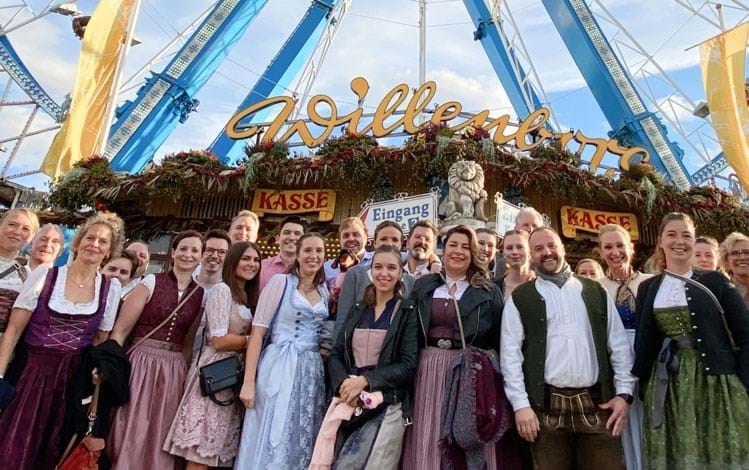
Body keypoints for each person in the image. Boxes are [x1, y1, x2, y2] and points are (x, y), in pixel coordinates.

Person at [501, 226, 635, 470]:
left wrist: (624, 394)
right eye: (539, 248)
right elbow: (510, 357)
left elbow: (619, 346)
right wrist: (521, 406)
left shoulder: (595, 291)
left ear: (562, 247)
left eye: (552, 245)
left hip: (597, 406)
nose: (547, 252)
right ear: (531, 255)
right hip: (545, 411)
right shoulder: (520, 298)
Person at [0, 212, 124, 469]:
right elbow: (13, 331)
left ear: (109, 251)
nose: (95, 244)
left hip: (72, 381)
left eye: (103, 242)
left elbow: (100, 341)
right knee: (13, 444)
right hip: (30, 373)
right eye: (90, 238)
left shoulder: (110, 288)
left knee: (55, 450)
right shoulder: (46, 275)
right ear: (78, 242)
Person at [632, 213, 749, 469]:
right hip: (668, 386)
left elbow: (745, 335)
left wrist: (744, 383)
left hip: (716, 384)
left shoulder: (715, 281)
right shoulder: (648, 288)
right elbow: (644, 342)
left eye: (686, 235)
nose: (680, 241)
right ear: (661, 241)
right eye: (672, 234)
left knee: (720, 454)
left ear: (694, 240)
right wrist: (641, 386)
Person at [402, 225, 505, 469]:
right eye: (453, 245)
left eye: (465, 246)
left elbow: (499, 339)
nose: (458, 251)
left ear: (473, 253)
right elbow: (410, 332)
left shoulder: (489, 291)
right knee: (427, 433)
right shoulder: (424, 286)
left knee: (466, 437)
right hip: (427, 372)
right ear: (443, 249)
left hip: (468, 375)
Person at [108, 230, 206, 470]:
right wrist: (111, 365)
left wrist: (182, 373)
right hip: (142, 360)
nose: (188, 254)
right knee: (131, 420)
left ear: (201, 257)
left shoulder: (199, 293)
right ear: (173, 252)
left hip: (173, 367)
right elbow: (120, 330)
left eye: (195, 250)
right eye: (183, 248)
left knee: (161, 426)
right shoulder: (152, 281)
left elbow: (188, 341)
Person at [313, 246, 418, 468]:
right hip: (350, 399)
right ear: (370, 271)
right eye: (378, 267)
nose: (384, 273)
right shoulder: (359, 309)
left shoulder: (407, 311)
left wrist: (366, 381)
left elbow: (408, 365)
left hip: (386, 401)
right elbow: (337, 353)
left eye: (391, 268)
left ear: (401, 273)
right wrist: (345, 384)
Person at [236, 233, 329, 469]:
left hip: (309, 370)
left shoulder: (324, 291)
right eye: (308, 250)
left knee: (300, 430)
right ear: (297, 255)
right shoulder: (281, 282)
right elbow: (257, 333)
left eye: (319, 251)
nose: (314, 256)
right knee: (270, 430)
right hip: (278, 364)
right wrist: (248, 381)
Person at [164, 241, 260, 469]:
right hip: (214, 373)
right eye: (246, 258)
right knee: (200, 455)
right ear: (233, 261)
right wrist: (253, 340)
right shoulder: (222, 290)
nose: (252, 264)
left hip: (233, 376)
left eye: (256, 260)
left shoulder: (246, 296)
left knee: (216, 453)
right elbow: (218, 340)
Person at [598, 223, 653, 470]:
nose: (615, 252)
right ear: (600, 253)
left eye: (620, 245)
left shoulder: (650, 282)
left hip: (648, 360)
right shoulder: (596, 289)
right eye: (608, 247)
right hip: (616, 364)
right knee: (624, 424)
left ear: (631, 248)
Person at [335, 220, 415, 338]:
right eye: (383, 239)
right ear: (375, 243)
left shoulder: (410, 281)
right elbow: (343, 317)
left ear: (401, 244)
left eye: (394, 240)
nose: (389, 243)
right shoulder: (355, 275)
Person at [0, 208, 38, 338]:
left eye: (25, 229)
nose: (17, 232)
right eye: (12, 224)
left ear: (31, 237)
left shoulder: (26, 276)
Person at [259, 216, 305, 290]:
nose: (292, 238)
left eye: (297, 234)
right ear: (278, 238)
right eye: (287, 233)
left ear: (304, 240)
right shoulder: (261, 267)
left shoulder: (310, 269)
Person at [324, 217, 369, 284]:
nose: (351, 239)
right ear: (340, 240)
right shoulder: (327, 268)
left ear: (365, 237)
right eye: (346, 235)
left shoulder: (376, 261)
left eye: (356, 235)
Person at [495, 229, 534, 299]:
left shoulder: (541, 285)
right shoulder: (494, 288)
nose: (514, 252)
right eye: (509, 248)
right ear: (504, 253)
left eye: (520, 247)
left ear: (529, 251)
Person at [195, 229, 231, 294]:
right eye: (210, 250)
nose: (215, 256)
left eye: (222, 252)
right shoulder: (185, 283)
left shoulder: (229, 291)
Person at [720, 231, 749, 305]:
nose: (742, 257)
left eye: (747, 252)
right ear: (726, 261)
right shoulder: (722, 294)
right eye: (735, 253)